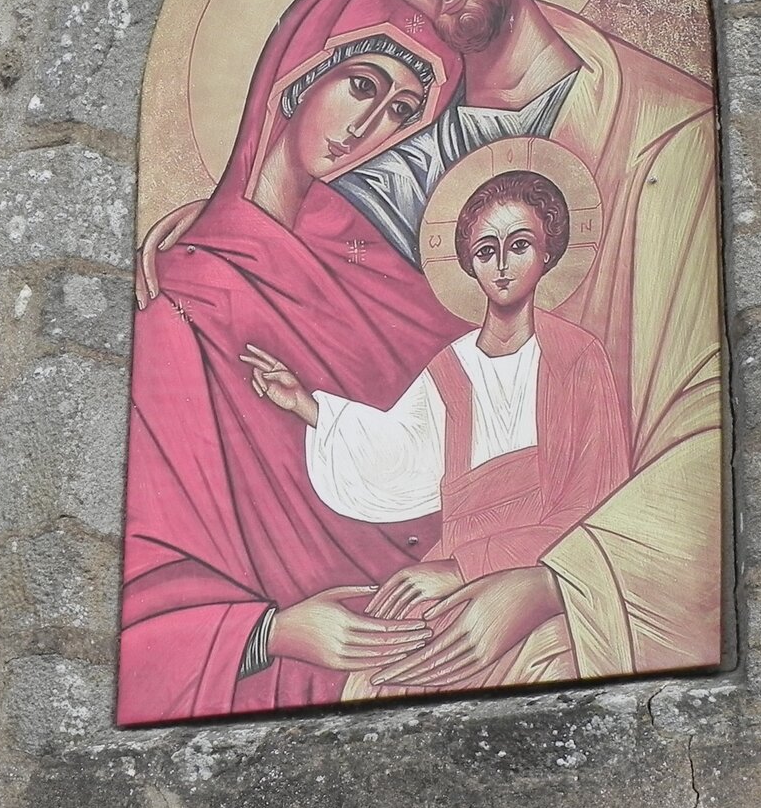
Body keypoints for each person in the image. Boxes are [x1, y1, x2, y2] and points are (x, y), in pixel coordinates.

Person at [138, 0, 723, 688]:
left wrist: (540, 580)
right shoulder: (399, 181)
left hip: (578, 587)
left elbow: (684, 423)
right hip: (412, 607)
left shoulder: (661, 133)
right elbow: (430, 410)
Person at [118, 0, 468, 725]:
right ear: (295, 76)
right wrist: (271, 632)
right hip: (307, 674)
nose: (371, 127)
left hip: (446, 623)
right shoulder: (181, 299)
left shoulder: (391, 268)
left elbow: (491, 416)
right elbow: (149, 559)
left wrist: (464, 561)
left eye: (403, 110)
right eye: (361, 85)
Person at [240, 169, 628, 696]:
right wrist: (307, 406)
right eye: (486, 250)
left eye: (520, 245)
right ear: (469, 262)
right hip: (454, 557)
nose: (503, 265)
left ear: (548, 252)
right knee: (376, 678)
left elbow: (599, 502)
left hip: (543, 566)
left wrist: (464, 568)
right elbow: (399, 451)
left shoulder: (579, 358)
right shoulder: (451, 367)